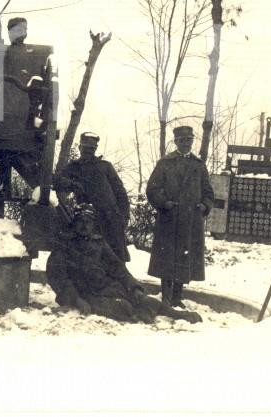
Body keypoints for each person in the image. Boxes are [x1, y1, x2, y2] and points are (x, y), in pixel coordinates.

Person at [46, 204, 201, 324]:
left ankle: (178, 315)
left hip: (108, 287)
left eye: (89, 222)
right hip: (85, 293)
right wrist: (76, 299)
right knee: (122, 307)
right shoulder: (64, 246)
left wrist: (134, 288)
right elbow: (58, 278)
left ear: (93, 225)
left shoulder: (99, 243)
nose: (85, 226)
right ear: (74, 224)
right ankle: (138, 314)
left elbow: (118, 268)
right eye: (81, 222)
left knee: (148, 301)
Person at [145, 125, 214, 307]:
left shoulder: (198, 165)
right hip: (169, 219)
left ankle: (177, 296)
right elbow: (152, 189)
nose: (186, 144)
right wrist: (164, 203)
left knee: (185, 257)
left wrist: (204, 206)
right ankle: (166, 297)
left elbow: (208, 191)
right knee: (167, 258)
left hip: (190, 220)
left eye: (189, 140)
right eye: (182, 141)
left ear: (192, 142)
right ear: (175, 142)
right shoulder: (165, 163)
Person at [57, 132, 131, 261]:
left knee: (116, 259)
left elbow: (120, 193)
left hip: (111, 218)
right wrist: (73, 184)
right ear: (80, 148)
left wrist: (123, 216)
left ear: (95, 149)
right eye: (85, 148)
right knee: (92, 259)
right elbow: (57, 181)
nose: (88, 151)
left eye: (91, 149)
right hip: (89, 220)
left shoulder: (105, 166)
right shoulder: (73, 167)